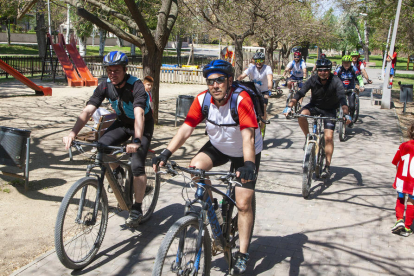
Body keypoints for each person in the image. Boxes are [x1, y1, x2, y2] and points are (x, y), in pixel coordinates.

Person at [153, 59, 262, 274]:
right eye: (210, 81)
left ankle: (242, 252)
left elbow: (248, 138)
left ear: (230, 80)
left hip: (244, 151)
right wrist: (166, 153)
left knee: (243, 203)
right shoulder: (203, 100)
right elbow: (186, 129)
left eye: (220, 80)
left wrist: (249, 164)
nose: (215, 85)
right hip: (219, 145)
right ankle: (213, 210)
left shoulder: (241, 100)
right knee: (195, 168)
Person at [63, 51, 154, 228]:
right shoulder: (105, 86)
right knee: (101, 146)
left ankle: (137, 207)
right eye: (109, 70)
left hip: (141, 125)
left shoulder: (136, 86)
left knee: (136, 164)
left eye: (116, 70)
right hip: (121, 123)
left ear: (125, 70)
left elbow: (139, 114)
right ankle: (118, 170)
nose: (112, 74)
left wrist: (136, 141)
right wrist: (73, 133)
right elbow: (88, 111)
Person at [283, 59, 351, 179]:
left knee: (328, 137)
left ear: (330, 71)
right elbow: (300, 93)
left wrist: (346, 114)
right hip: (314, 107)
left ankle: (327, 166)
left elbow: (342, 99)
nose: (323, 72)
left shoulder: (335, 81)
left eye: (325, 70)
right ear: (317, 71)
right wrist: (289, 107)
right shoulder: (313, 79)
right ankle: (308, 137)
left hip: (330, 110)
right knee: (301, 114)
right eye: (320, 70)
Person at [237, 51, 273, 136]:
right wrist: (236, 82)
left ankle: (262, 127)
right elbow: (242, 76)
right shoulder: (251, 68)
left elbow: (269, 79)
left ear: (263, 61)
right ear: (254, 61)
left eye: (261, 60)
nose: (259, 62)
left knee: (263, 107)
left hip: (264, 91)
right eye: (257, 60)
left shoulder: (267, 68)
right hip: (253, 91)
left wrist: (269, 89)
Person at [391, 122, 414, 237]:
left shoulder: (404, 145)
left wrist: (398, 174)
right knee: (411, 201)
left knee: (400, 197)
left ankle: (399, 219)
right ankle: (407, 226)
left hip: (402, 179)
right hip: (413, 182)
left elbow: (396, 161)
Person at [334, 55, 364, 128]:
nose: (346, 64)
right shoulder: (339, 69)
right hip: (341, 89)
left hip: (351, 89)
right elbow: (333, 77)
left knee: (352, 106)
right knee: (335, 103)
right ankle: (338, 114)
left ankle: (350, 119)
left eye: (348, 63)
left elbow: (359, 78)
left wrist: (362, 85)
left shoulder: (353, 69)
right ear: (342, 63)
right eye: (344, 63)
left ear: (350, 63)